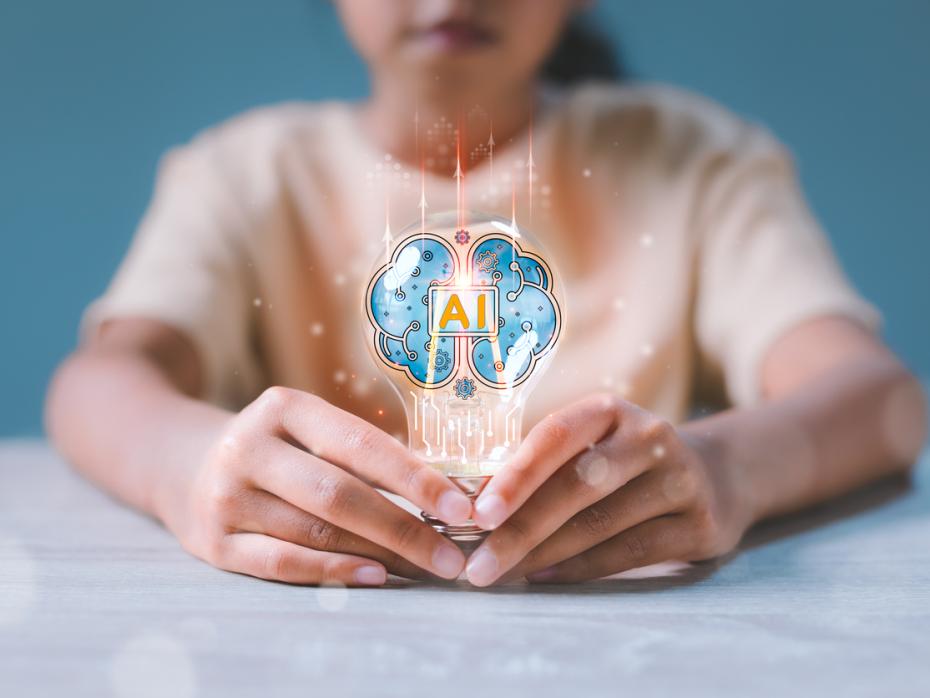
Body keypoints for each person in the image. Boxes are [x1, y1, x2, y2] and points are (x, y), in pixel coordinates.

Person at [46, 0, 926, 588]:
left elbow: (878, 398)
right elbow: (99, 381)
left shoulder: (700, 163)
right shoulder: (241, 176)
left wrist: (727, 471)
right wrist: (188, 466)